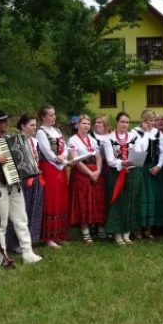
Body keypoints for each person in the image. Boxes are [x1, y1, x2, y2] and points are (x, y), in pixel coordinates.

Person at [0, 110, 43, 267]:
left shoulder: (8, 139)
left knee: (21, 218)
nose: (6, 124)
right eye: (3, 121)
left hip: (14, 183)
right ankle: (2, 256)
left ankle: (28, 252)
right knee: (1, 222)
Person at [102, 111, 143, 245]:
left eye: (127, 122)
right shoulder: (109, 138)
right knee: (118, 202)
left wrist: (134, 160)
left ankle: (127, 233)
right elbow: (109, 159)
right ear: (117, 123)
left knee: (131, 201)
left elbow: (137, 153)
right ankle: (117, 234)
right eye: (122, 122)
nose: (125, 124)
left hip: (132, 172)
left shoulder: (134, 137)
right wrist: (121, 163)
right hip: (117, 173)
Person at [6, 113, 44, 253]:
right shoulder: (15, 141)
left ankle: (29, 240)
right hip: (21, 180)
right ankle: (14, 242)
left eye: (35, 125)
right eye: (32, 125)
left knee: (34, 208)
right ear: (23, 126)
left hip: (35, 179)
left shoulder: (35, 141)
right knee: (20, 211)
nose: (35, 127)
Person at [36, 104, 71, 247]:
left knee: (61, 198)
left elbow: (65, 146)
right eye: (50, 115)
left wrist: (63, 155)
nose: (54, 117)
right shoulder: (41, 132)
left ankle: (59, 233)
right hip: (49, 168)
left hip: (60, 167)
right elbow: (45, 150)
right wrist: (56, 158)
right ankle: (49, 236)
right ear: (43, 117)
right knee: (51, 198)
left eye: (54, 114)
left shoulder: (56, 130)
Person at [67, 115, 106, 244]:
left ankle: (100, 229)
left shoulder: (92, 140)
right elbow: (76, 160)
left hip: (95, 172)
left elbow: (99, 157)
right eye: (83, 123)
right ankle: (85, 232)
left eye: (88, 124)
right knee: (83, 201)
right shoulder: (73, 140)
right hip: (82, 173)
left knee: (97, 200)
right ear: (77, 124)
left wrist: (98, 171)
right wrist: (90, 173)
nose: (86, 126)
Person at [135, 109, 163, 239]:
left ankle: (149, 228)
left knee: (152, 197)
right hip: (141, 167)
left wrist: (159, 166)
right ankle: (138, 227)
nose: (153, 123)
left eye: (154, 120)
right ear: (143, 120)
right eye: (150, 120)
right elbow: (138, 150)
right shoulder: (135, 133)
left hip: (154, 168)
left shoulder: (158, 133)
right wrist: (145, 133)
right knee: (141, 197)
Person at [90, 115, 111, 240]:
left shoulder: (111, 136)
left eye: (100, 123)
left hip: (109, 167)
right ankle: (96, 224)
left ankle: (106, 223)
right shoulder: (90, 137)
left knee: (107, 196)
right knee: (96, 197)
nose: (97, 124)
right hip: (96, 168)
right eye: (96, 122)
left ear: (106, 124)